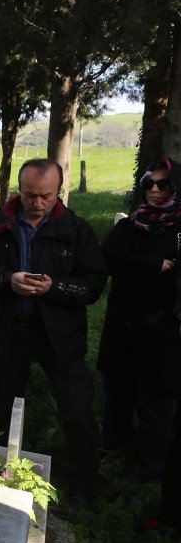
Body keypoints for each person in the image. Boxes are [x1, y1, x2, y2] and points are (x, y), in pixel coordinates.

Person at [0, 158, 107, 506]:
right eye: (30, 195)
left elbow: (93, 285)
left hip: (60, 334)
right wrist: (6, 279)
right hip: (7, 330)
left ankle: (83, 486)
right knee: (4, 405)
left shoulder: (76, 230)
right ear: (19, 189)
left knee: (76, 408)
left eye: (46, 196)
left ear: (58, 191)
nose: (38, 203)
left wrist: (54, 287)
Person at [98, 159, 181, 481]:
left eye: (164, 185)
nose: (156, 191)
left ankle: (147, 469)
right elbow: (108, 258)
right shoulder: (130, 225)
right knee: (116, 391)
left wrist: (136, 267)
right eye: (149, 184)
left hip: (162, 332)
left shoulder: (177, 230)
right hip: (122, 325)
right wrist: (153, 265)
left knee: (155, 401)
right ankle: (111, 447)